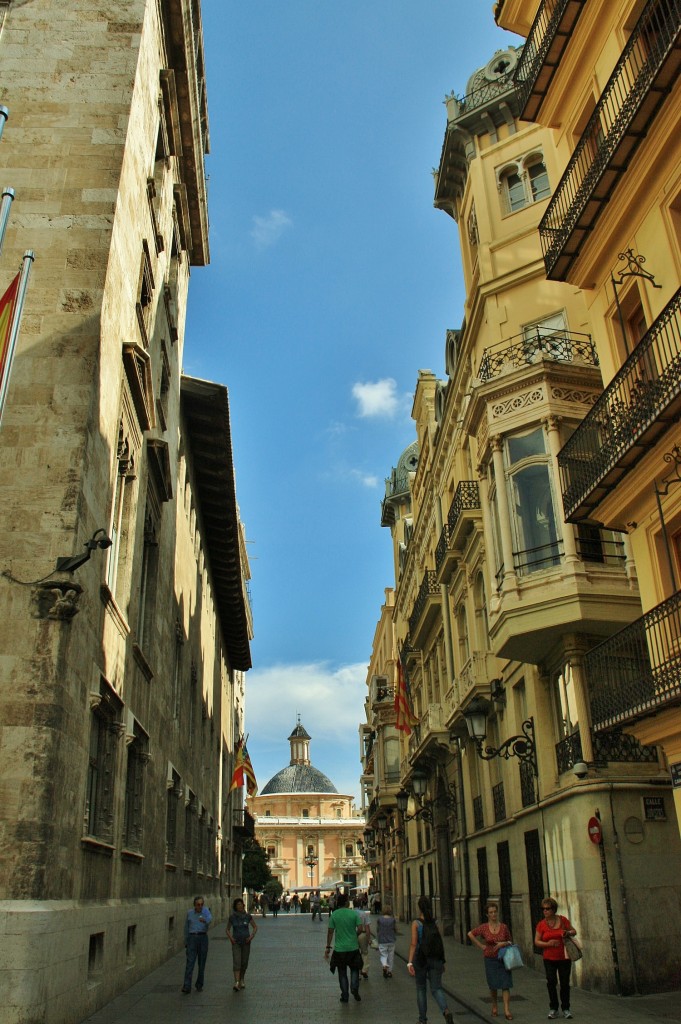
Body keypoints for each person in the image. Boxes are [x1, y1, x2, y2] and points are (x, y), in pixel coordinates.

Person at [407, 895, 454, 1024]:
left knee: (421, 989)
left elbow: (413, 944)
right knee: (436, 988)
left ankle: (422, 1020)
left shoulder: (416, 923)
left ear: (419, 908)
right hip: (435, 959)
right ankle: (446, 1011)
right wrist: (442, 961)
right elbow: (439, 942)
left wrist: (410, 962)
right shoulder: (435, 922)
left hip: (420, 960)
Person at [468, 901, 515, 1020]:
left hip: (503, 958)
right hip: (490, 959)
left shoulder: (504, 927)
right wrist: (481, 946)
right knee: (493, 985)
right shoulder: (484, 927)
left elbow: (510, 941)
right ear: (487, 915)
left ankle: (506, 1009)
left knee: (506, 984)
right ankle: (494, 1005)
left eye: (495, 912)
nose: (493, 914)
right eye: (491, 912)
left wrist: (503, 943)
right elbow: (470, 934)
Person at [534, 897, 577, 1020]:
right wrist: (548, 944)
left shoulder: (563, 920)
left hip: (564, 957)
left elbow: (574, 931)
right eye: (543, 909)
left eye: (547, 909)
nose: (545, 911)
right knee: (551, 982)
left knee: (564, 983)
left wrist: (568, 933)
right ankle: (553, 1008)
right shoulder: (541, 924)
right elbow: (537, 941)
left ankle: (566, 1008)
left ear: (553, 909)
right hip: (549, 958)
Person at [324, 889, 364, 1003]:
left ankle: (345, 995)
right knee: (355, 969)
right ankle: (354, 988)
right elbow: (360, 928)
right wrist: (354, 935)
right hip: (353, 947)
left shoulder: (334, 915)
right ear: (346, 903)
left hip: (340, 949)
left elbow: (330, 931)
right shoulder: (353, 913)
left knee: (342, 972)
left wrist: (328, 946)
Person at [181, 895, 212, 994]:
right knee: (190, 962)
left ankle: (199, 984)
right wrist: (186, 941)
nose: (200, 906)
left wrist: (205, 920)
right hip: (192, 938)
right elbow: (186, 927)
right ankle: (187, 985)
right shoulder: (190, 913)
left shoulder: (205, 911)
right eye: (198, 904)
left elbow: (210, 919)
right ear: (194, 905)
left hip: (203, 938)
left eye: (202, 904)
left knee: (201, 963)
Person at [226, 897, 258, 991]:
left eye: (241, 904)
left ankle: (242, 979)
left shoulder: (247, 916)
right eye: (238, 904)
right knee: (237, 962)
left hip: (246, 942)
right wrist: (231, 938)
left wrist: (251, 936)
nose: (240, 906)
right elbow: (227, 929)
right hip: (236, 942)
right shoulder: (232, 917)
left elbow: (255, 927)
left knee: (244, 962)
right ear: (235, 906)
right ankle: (236, 982)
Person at [377, 903, 397, 978]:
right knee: (391, 957)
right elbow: (395, 929)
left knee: (383, 954)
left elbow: (378, 929)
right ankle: (389, 971)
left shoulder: (379, 919)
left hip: (382, 940)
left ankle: (384, 965)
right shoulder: (393, 920)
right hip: (391, 940)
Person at [356, 904, 372, 979]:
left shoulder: (351, 913)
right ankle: (364, 970)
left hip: (353, 935)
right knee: (364, 953)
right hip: (363, 934)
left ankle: (357, 973)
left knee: (356, 954)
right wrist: (369, 938)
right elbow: (367, 927)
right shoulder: (363, 913)